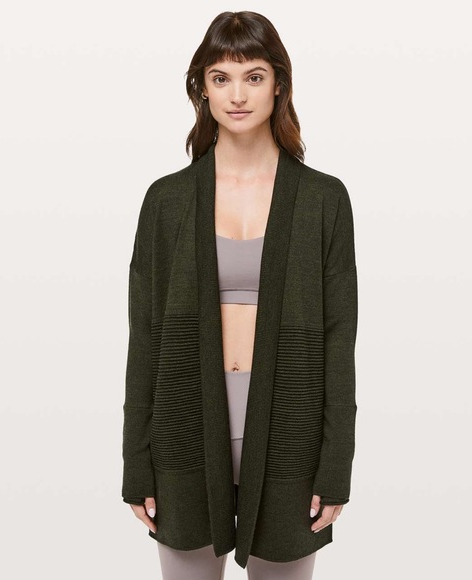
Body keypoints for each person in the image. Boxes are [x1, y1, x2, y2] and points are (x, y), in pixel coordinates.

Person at [122, 11, 359, 580]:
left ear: (279, 84)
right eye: (221, 77)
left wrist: (336, 466)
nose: (237, 95)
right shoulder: (167, 202)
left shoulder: (323, 200)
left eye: (253, 76)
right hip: (183, 433)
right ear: (202, 87)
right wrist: (136, 462)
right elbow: (145, 340)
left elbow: (338, 341)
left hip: (290, 439)